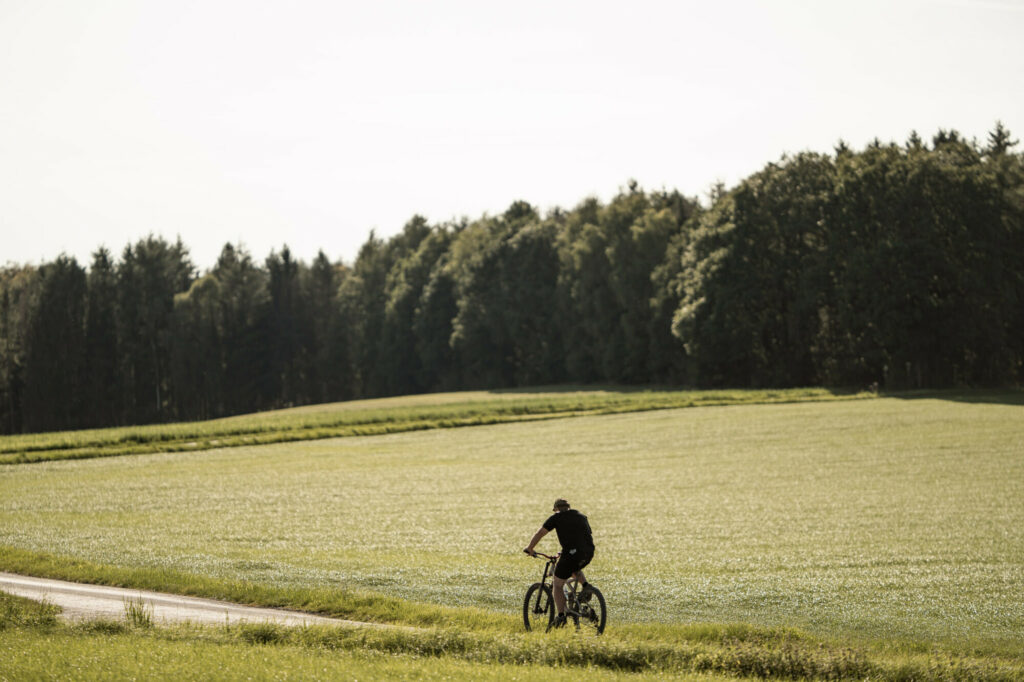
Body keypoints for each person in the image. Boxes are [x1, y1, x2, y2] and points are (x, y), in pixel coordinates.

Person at [523, 498, 595, 628]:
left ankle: (561, 616)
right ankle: (586, 587)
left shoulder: (556, 517)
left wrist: (530, 548)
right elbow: (582, 535)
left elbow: (540, 533)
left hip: (571, 553)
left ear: (556, 509)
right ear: (568, 507)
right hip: (588, 552)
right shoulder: (581, 515)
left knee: (557, 585)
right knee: (574, 567)